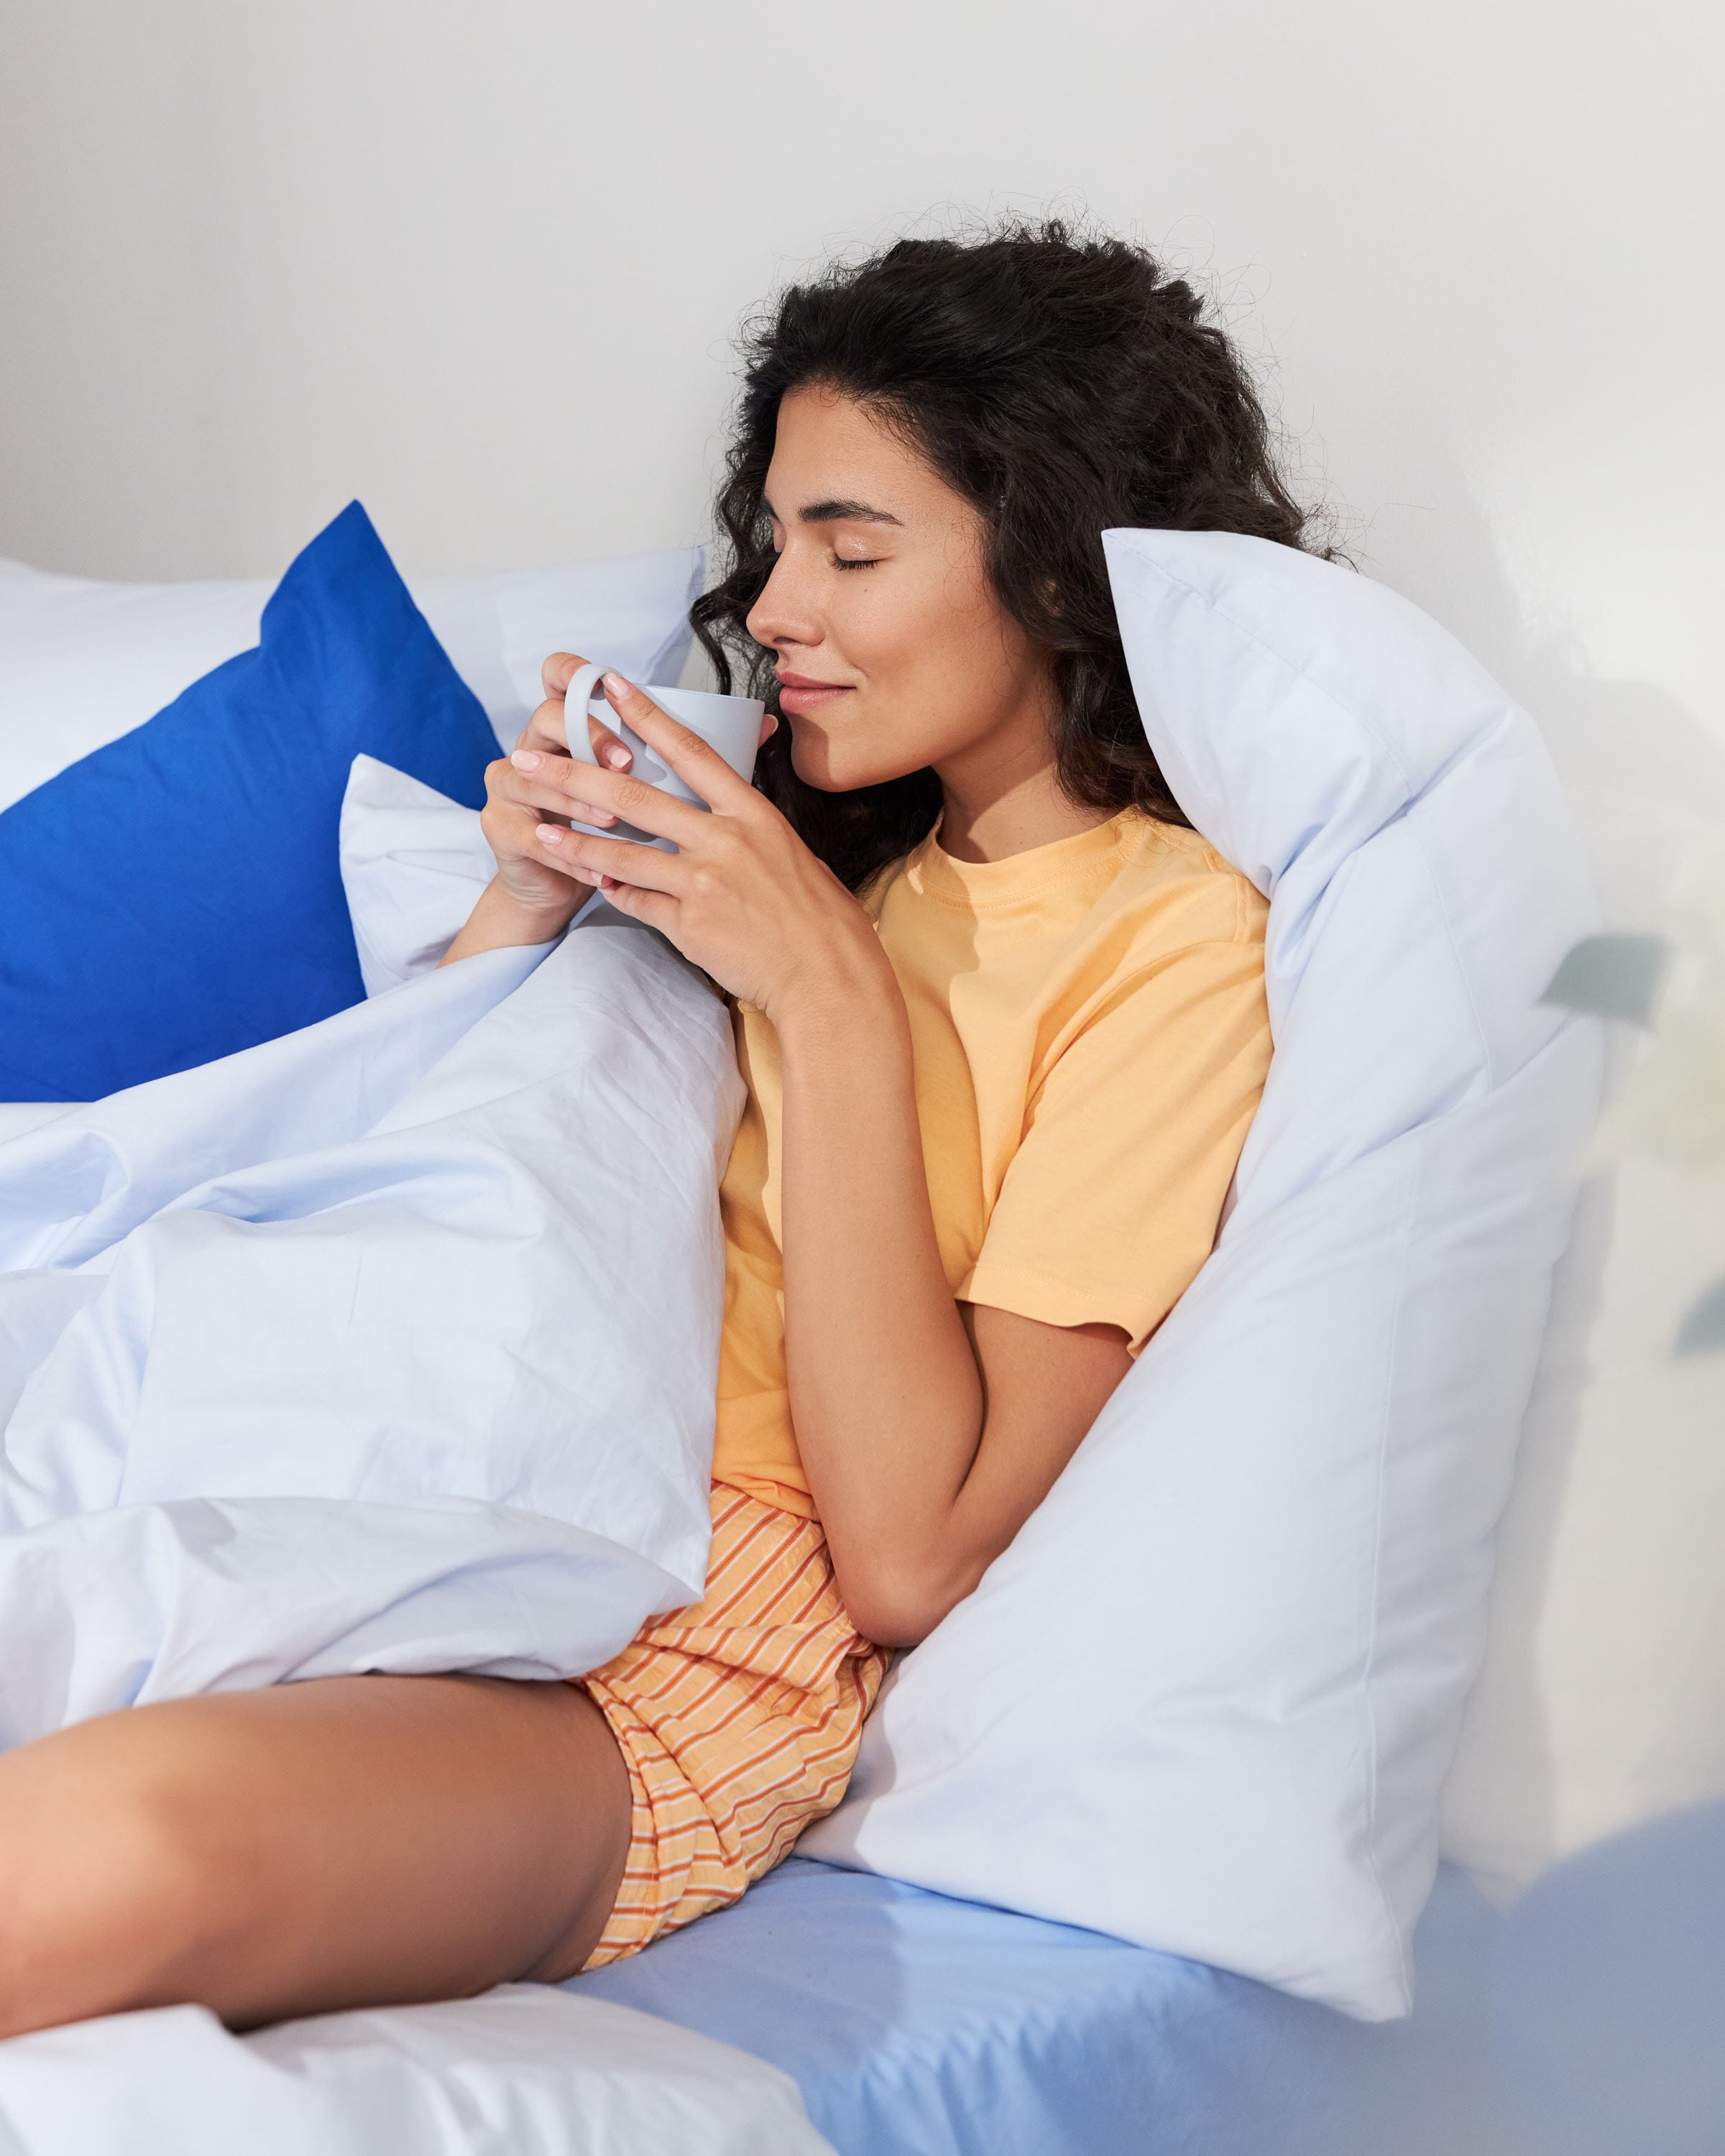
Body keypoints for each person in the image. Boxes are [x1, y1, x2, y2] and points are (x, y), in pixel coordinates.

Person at [0, 221, 1316, 2037]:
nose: (776, 611)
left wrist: (830, 1008)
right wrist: (527, 912)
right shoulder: (814, 867)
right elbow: (434, 1188)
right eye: (780, 541)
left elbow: (918, 1557)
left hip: (677, 1638)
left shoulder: (1173, 938)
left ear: (1062, 573)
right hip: (421, 1451)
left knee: (118, 1853)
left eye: (852, 547)